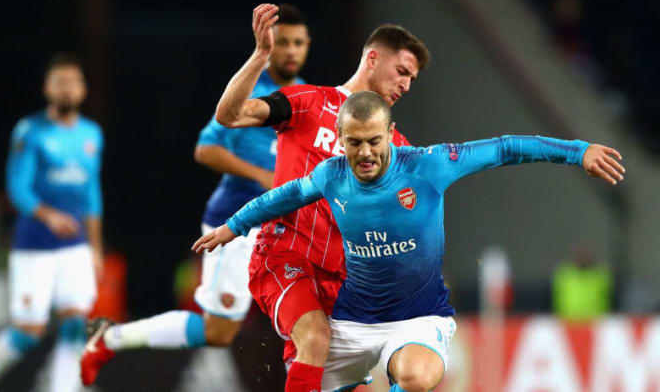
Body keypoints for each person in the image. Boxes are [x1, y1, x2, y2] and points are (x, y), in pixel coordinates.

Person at [193, 91, 626, 391]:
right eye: (354, 143)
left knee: (417, 375)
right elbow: (285, 196)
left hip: (418, 319)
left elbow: (505, 148)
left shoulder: (429, 166)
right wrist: (235, 225)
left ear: (391, 133)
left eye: (375, 141)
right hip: (353, 322)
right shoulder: (331, 175)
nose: (365, 153)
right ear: (340, 141)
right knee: (302, 371)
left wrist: (578, 151)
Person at [79, 4, 311, 386]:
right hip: (234, 220)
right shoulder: (249, 94)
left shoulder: (308, 97)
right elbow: (205, 149)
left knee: (315, 313)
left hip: (283, 226)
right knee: (219, 332)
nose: (290, 50)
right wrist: (261, 175)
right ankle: (114, 337)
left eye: (298, 42)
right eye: (282, 41)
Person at [209, 4, 426, 392]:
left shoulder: (395, 145)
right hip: (284, 257)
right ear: (373, 59)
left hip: (344, 284)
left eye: (412, 78)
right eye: (402, 72)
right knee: (315, 336)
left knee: (344, 381)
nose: (407, 85)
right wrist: (260, 56)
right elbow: (230, 114)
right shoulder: (309, 102)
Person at [0, 53, 104, 392]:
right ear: (47, 88)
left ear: (83, 89)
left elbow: (91, 194)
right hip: (34, 246)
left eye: (73, 82)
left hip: (76, 248)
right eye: (60, 82)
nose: (67, 89)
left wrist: (96, 249)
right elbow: (17, 188)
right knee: (29, 330)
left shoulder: (91, 134)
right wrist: (49, 216)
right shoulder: (31, 131)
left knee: (75, 323)